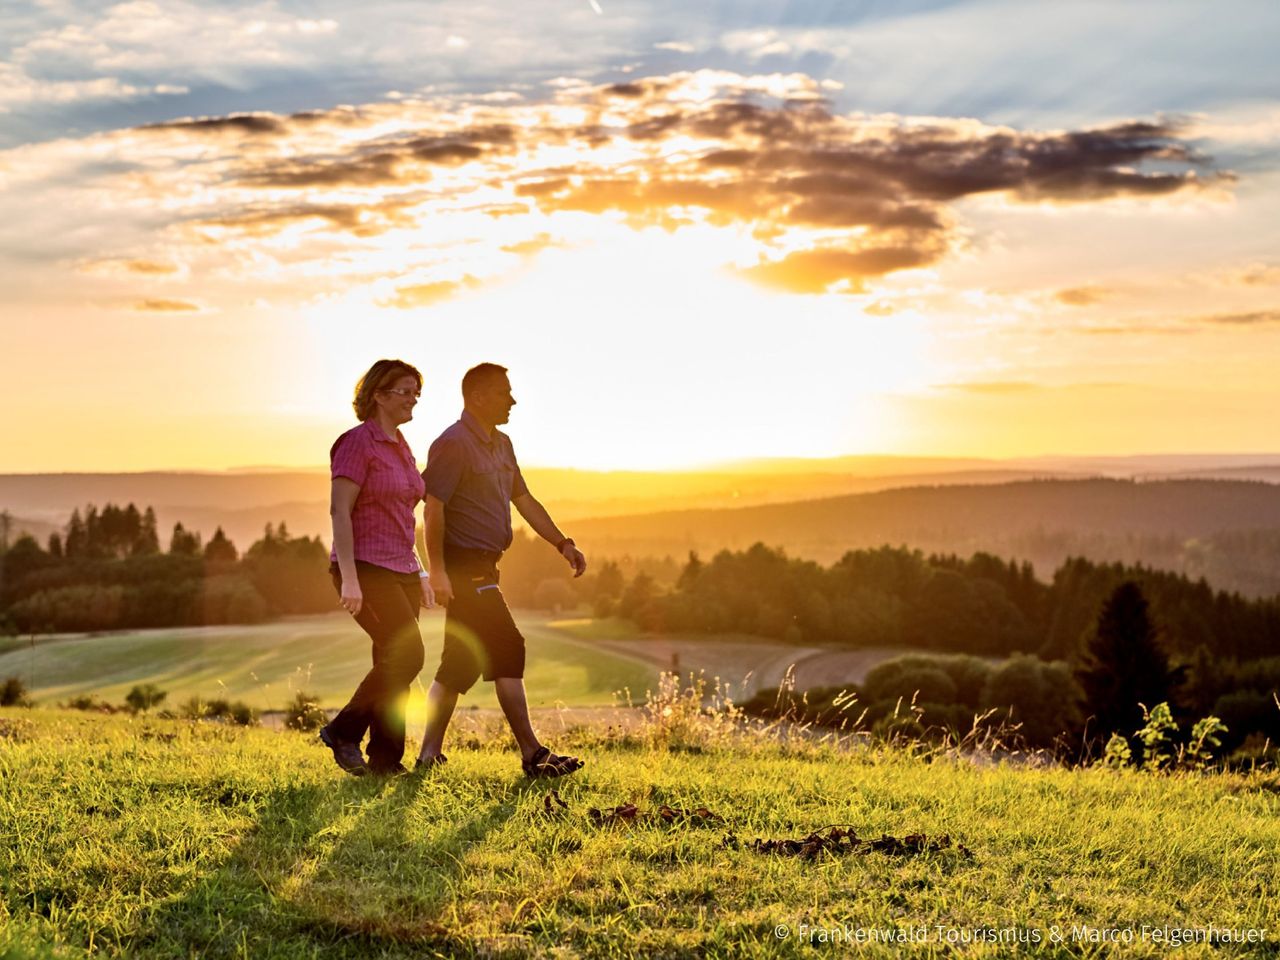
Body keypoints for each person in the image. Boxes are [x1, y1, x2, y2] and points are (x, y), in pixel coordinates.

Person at [416, 362, 587, 778]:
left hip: (487, 566)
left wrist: (563, 543)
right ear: (476, 397)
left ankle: (427, 757)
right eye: (503, 392)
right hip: (463, 566)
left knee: (458, 663)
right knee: (508, 646)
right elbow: (433, 506)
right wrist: (436, 570)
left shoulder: (503, 444)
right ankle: (533, 754)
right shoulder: (452, 444)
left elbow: (524, 500)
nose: (512, 400)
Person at [318, 358, 434, 777]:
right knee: (409, 654)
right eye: (405, 391)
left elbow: (403, 515)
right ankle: (343, 731)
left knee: (392, 660)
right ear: (379, 395)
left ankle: (385, 760)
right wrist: (348, 576)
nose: (413, 400)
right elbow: (339, 511)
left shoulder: (402, 446)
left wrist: (419, 569)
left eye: (416, 392)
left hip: (401, 568)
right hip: (365, 567)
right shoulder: (356, 443)